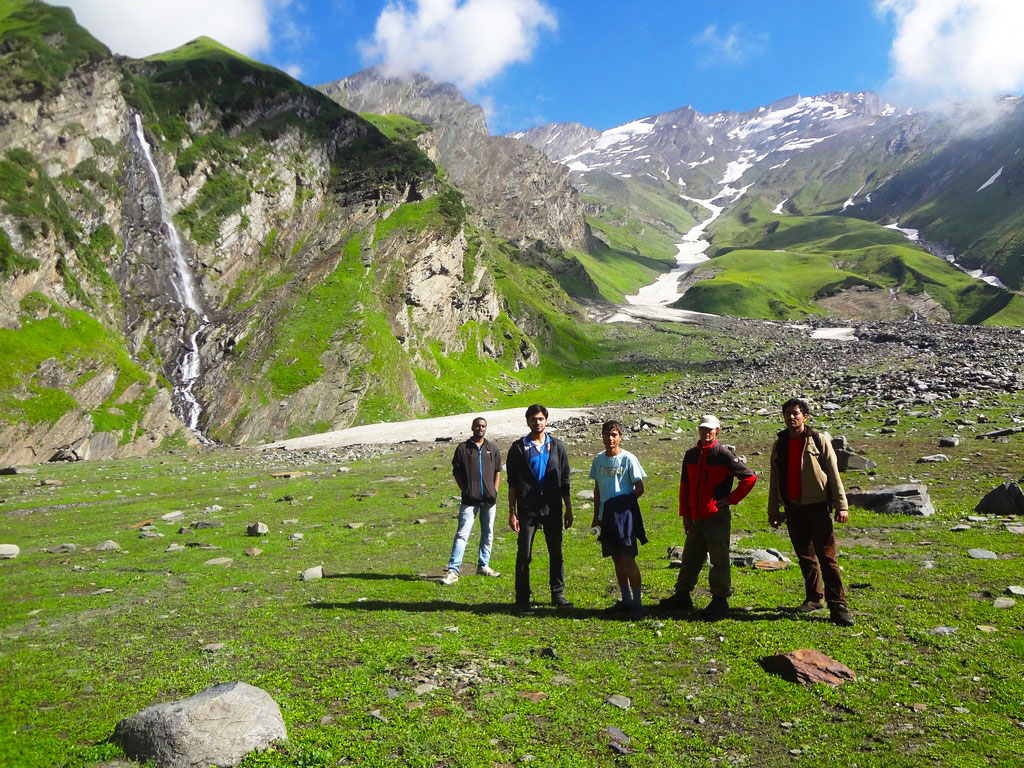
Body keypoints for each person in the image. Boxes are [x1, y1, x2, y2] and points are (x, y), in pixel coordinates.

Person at [767, 398, 854, 627]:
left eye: (795, 413)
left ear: (805, 416)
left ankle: (838, 605)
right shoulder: (780, 443)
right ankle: (815, 598)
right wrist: (773, 510)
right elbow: (774, 479)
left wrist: (841, 506)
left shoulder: (818, 439)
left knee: (827, 558)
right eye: (787, 414)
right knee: (805, 557)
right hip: (793, 509)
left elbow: (834, 474)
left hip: (818, 507)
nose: (791, 417)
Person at [660, 415, 756, 620]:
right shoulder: (691, 455)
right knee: (690, 557)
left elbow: (749, 477)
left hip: (716, 517)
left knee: (719, 559)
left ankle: (720, 600)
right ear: (699, 430)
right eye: (703, 429)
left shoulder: (724, 454)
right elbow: (684, 486)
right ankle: (683, 595)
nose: (706, 432)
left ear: (717, 431)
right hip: (696, 517)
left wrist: (731, 499)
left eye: (710, 429)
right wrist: (685, 515)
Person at [506, 404, 574, 615]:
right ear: (527, 422)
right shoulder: (518, 448)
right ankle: (522, 599)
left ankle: (558, 594)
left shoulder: (557, 447)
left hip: (552, 506)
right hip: (528, 508)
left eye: (541, 419)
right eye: (533, 419)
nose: (537, 422)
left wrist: (568, 508)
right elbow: (512, 483)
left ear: (546, 420)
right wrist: (512, 511)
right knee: (524, 553)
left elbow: (564, 479)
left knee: (556, 552)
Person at [589, 420, 647, 620]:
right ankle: (625, 599)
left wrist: (624, 503)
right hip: (606, 516)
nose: (610, 438)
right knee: (616, 557)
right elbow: (597, 488)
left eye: (614, 434)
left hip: (624, 515)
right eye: (607, 434)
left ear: (620, 436)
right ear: (602, 436)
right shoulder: (598, 460)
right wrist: (596, 516)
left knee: (628, 558)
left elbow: (639, 487)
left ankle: (638, 603)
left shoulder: (628, 459)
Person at [440, 417, 503, 585]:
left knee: (488, 533)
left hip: (489, 499)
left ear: (486, 428)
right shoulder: (463, 449)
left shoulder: (492, 448)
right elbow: (457, 472)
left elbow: (498, 470)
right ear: (472, 427)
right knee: (462, 534)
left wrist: (494, 490)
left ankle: (484, 566)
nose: (480, 428)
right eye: (477, 426)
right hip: (469, 500)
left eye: (483, 426)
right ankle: (453, 570)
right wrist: (465, 489)